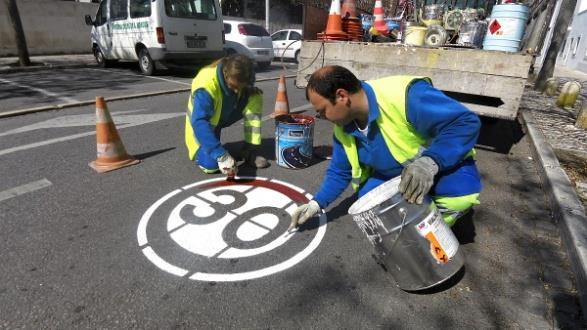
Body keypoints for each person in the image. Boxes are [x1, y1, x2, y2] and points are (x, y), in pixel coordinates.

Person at [289, 65, 482, 230]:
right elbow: (339, 172)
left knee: (460, 197)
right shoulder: (343, 128)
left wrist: (430, 162)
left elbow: (464, 122)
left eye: (322, 111)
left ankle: (434, 231)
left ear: (341, 96)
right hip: (394, 174)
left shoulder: (406, 96)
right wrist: (316, 204)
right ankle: (413, 221)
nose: (323, 117)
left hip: (439, 166)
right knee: (367, 204)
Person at [185, 54, 269, 175]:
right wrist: (222, 156)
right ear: (225, 73)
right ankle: (209, 151)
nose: (236, 91)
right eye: (234, 86)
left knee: (255, 97)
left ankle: (249, 150)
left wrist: (248, 89)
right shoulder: (206, 85)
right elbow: (199, 122)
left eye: (240, 87)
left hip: (221, 117)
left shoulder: (244, 76)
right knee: (211, 166)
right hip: (201, 127)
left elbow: (242, 87)